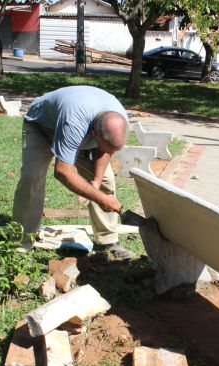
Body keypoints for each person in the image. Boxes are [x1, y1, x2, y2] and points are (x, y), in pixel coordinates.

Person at [12, 85, 134, 260]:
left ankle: (107, 241)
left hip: (85, 128)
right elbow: (63, 172)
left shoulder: (118, 119)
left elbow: (106, 150)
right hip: (42, 127)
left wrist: (96, 182)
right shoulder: (74, 122)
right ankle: (22, 243)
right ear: (94, 134)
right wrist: (100, 198)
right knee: (32, 178)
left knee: (106, 180)